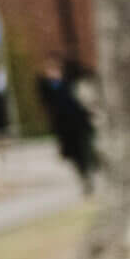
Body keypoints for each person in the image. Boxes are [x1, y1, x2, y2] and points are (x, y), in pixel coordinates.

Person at [36, 53, 99, 194]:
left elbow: (85, 73)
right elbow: (45, 104)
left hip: (79, 122)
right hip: (63, 127)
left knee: (86, 150)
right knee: (74, 155)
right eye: (49, 69)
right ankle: (84, 177)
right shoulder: (46, 86)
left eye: (54, 68)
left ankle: (89, 172)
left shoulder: (69, 80)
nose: (52, 71)